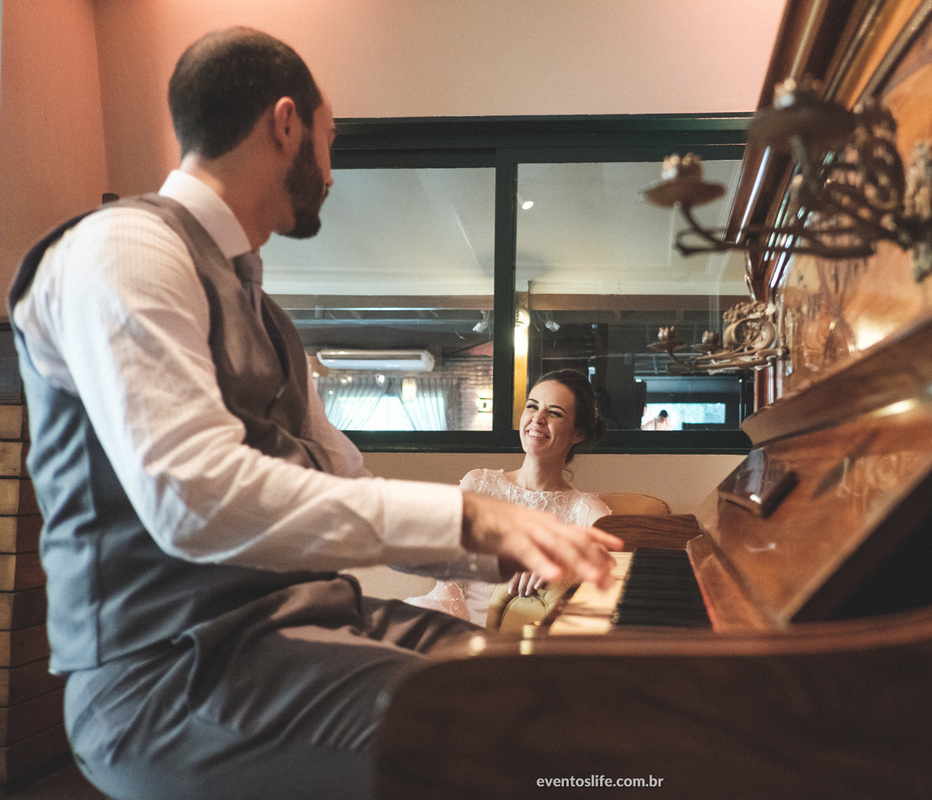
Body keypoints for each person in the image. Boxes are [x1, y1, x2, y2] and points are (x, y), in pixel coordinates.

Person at [7, 28, 620, 800]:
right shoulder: (126, 251)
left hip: (301, 622)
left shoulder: (269, 321)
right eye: (331, 141)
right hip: (163, 680)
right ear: (286, 123)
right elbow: (193, 500)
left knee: (567, 692)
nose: (331, 170)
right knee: (527, 743)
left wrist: (513, 547)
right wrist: (472, 519)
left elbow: (344, 483)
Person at [405, 369, 612, 624]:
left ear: (577, 434)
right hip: (450, 616)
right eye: (532, 407)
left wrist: (562, 567)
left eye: (554, 413)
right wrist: (457, 623)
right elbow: (448, 566)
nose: (537, 418)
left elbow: (615, 565)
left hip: (520, 635)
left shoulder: (585, 508)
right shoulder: (479, 482)